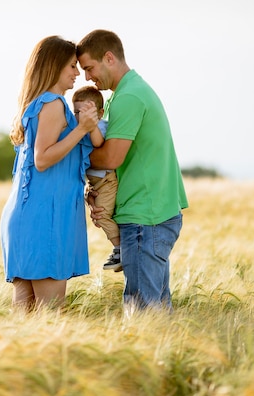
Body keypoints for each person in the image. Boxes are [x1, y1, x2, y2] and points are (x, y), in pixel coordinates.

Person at [76, 29, 189, 311]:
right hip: (151, 213)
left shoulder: (129, 98)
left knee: (143, 312)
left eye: (89, 68)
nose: (87, 77)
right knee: (156, 309)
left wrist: (67, 157)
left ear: (109, 58)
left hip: (145, 218)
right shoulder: (128, 93)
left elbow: (112, 158)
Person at [0, 35, 99, 311]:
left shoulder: (35, 105)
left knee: (26, 318)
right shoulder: (54, 104)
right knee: (50, 317)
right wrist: (81, 129)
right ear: (54, 66)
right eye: (71, 66)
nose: (77, 73)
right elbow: (42, 159)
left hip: (27, 218)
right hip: (46, 220)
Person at [71, 85, 122, 272]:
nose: (81, 117)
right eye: (77, 112)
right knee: (99, 214)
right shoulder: (77, 128)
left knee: (102, 215)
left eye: (87, 112)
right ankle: (119, 246)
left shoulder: (99, 126)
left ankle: (119, 248)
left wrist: (89, 126)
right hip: (94, 182)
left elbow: (98, 143)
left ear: (100, 113)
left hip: (107, 181)